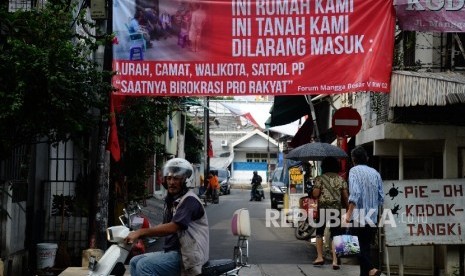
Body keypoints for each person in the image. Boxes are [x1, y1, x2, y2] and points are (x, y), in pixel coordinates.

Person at [125, 158, 209, 276]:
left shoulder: (189, 201)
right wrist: (138, 235)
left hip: (187, 256)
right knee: (134, 261)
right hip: (173, 253)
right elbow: (164, 227)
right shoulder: (172, 201)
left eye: (176, 178)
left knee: (143, 266)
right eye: (169, 178)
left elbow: (174, 227)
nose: (171, 182)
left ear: (185, 181)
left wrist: (141, 232)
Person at [344, 146, 384, 276]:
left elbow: (355, 193)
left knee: (353, 248)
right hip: (372, 217)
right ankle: (368, 272)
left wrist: (348, 215)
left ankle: (372, 268)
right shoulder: (375, 173)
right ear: (366, 158)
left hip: (358, 216)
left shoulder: (354, 171)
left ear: (353, 159)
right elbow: (381, 197)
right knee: (365, 248)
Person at [311, 156, 349, 270]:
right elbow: (345, 197)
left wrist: (314, 190)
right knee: (336, 234)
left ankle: (319, 257)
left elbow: (316, 194)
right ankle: (335, 260)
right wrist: (348, 209)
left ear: (324, 166)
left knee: (319, 232)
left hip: (323, 209)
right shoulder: (341, 179)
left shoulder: (319, 179)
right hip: (336, 209)